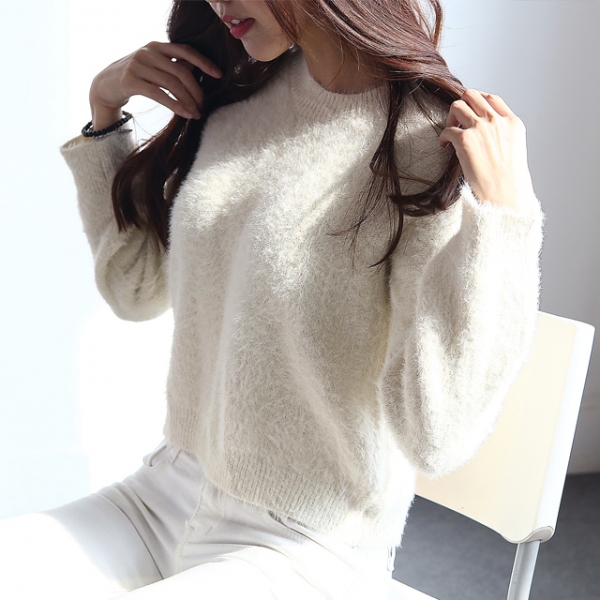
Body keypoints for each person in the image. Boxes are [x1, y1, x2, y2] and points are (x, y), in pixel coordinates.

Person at [0, 0, 543, 598]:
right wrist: (104, 112)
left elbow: (436, 435)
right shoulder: (241, 94)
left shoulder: (422, 140)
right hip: (169, 492)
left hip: (303, 541)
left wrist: (507, 215)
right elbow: (134, 289)